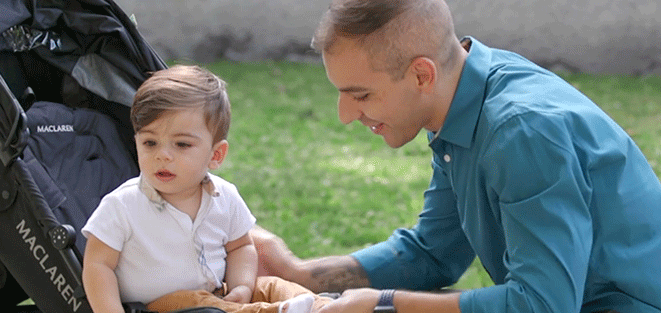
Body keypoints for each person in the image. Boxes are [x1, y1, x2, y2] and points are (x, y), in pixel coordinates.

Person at [251, 0, 661, 312]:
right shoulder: (462, 97)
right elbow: (434, 252)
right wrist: (300, 273)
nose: (345, 115)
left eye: (361, 94)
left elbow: (542, 305)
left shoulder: (521, 131)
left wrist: (385, 303)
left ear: (421, 75)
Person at [81, 65, 329, 313]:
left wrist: (241, 286)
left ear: (216, 154)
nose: (163, 155)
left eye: (181, 144)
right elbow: (97, 265)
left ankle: (326, 307)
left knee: (272, 285)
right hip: (161, 306)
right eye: (150, 143)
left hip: (217, 294)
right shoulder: (123, 205)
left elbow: (240, 246)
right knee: (204, 305)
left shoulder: (225, 197)